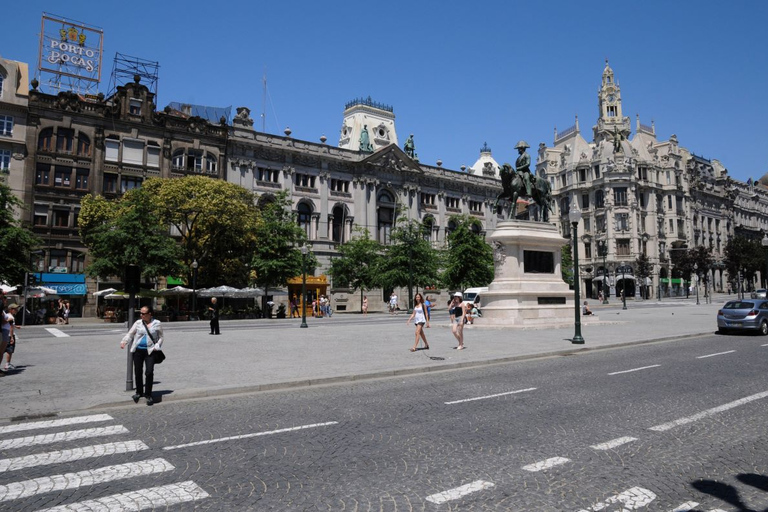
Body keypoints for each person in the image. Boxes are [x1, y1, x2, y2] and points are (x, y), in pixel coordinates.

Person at [120, 306, 163, 406]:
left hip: (151, 351)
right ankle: (139, 392)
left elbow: (161, 337)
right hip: (138, 351)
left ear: (150, 314)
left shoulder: (157, 323)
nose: (141, 315)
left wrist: (157, 345)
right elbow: (130, 334)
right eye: (141, 313)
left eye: (143, 313)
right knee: (138, 372)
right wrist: (124, 342)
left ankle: (148, 394)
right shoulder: (138, 323)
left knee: (149, 372)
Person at [4, 303, 19, 371]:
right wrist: (12, 337)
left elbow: (9, 324)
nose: (16, 310)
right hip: (9, 335)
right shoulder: (11, 317)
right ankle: (7, 364)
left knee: (3, 350)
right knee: (9, 350)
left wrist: (16, 326)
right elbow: (11, 327)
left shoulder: (6, 315)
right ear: (10, 310)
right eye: (15, 309)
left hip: (5, 335)